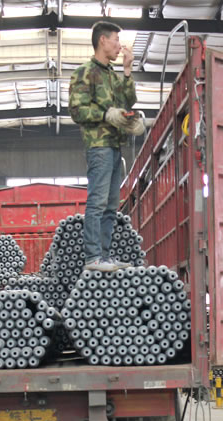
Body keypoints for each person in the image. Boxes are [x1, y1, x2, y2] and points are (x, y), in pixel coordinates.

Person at [68, 21, 144, 272]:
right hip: (98, 145)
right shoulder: (85, 72)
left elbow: (128, 101)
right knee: (98, 202)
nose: (119, 46)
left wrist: (127, 71)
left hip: (114, 145)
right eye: (116, 40)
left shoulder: (112, 75)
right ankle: (93, 257)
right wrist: (105, 115)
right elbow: (76, 110)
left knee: (111, 205)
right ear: (103, 40)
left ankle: (104, 256)